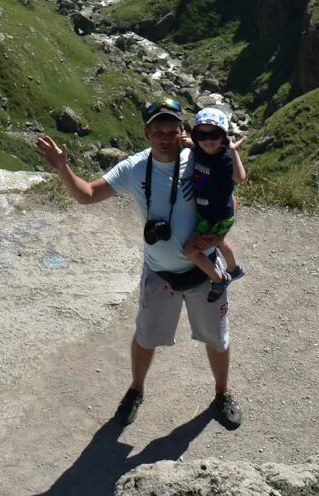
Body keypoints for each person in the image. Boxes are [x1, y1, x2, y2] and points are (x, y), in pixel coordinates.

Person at [34, 96, 242, 431]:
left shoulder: (199, 158)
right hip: (159, 273)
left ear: (181, 131)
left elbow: (229, 198)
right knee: (145, 337)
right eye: (158, 131)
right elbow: (86, 195)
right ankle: (136, 389)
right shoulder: (133, 169)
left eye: (172, 130)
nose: (165, 138)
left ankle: (222, 394)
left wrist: (219, 237)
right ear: (146, 133)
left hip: (202, 271)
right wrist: (62, 168)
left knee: (217, 338)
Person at [182, 106, 246, 300]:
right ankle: (234, 269)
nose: (208, 141)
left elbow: (240, 178)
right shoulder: (198, 148)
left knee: (190, 251)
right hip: (208, 211)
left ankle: (219, 279)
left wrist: (234, 152)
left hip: (217, 217)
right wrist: (183, 138)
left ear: (224, 136)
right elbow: (191, 142)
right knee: (219, 242)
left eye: (214, 135)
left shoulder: (225, 158)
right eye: (202, 135)